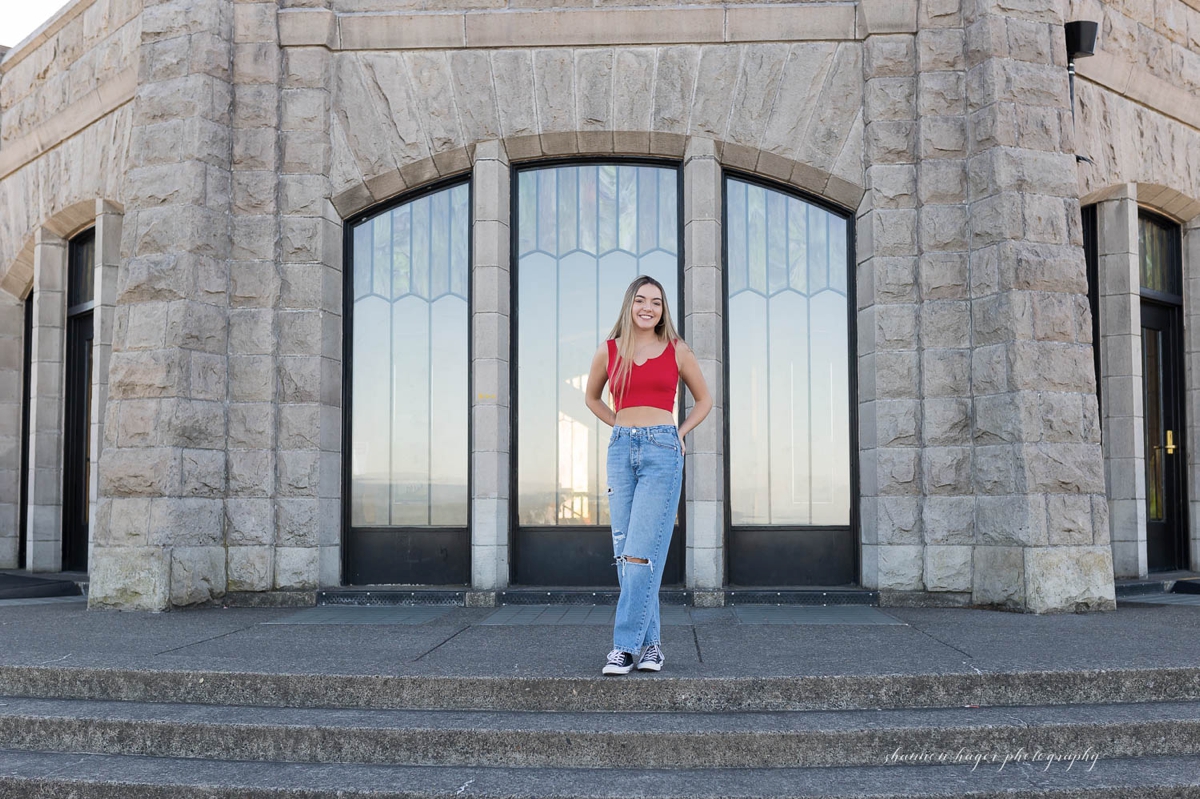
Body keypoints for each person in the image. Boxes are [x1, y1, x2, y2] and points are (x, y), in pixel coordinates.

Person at [584, 275, 712, 675]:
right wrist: (618, 424)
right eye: (641, 300)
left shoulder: (677, 349)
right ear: (630, 304)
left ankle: (623, 647)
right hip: (621, 450)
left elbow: (705, 399)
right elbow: (590, 397)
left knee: (640, 553)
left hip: (662, 450)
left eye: (656, 302)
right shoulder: (609, 351)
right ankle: (653, 646)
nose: (648, 308)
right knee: (627, 555)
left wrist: (680, 433)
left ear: (663, 310)